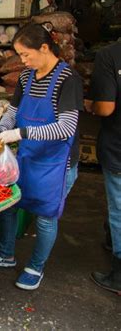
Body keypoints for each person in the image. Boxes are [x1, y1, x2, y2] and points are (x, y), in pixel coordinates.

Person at [0, 23, 84, 290]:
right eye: (19, 55)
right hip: (28, 157)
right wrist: (0, 131)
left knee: (45, 216)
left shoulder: (68, 80)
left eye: (26, 54)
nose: (23, 60)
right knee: (9, 205)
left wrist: (19, 133)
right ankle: (5, 253)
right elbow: (12, 110)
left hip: (56, 164)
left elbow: (66, 127)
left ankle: (36, 266)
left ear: (44, 48)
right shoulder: (25, 77)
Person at [86, 42, 121, 294]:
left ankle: (119, 275)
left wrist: (90, 106)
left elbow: (106, 108)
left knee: (119, 208)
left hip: (118, 146)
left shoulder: (110, 55)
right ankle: (111, 241)